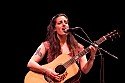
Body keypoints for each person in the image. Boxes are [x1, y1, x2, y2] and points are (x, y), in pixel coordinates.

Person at [25, 13, 98, 83]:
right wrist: (47, 71)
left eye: (66, 22)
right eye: (60, 23)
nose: (64, 24)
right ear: (54, 29)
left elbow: (85, 70)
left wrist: (92, 56)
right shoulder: (47, 45)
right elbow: (31, 63)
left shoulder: (78, 47)